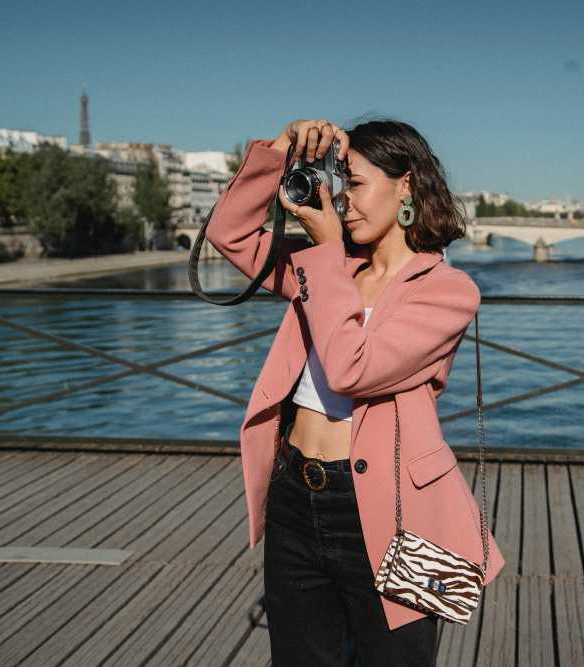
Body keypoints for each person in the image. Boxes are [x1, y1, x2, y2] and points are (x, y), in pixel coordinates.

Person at [205, 117, 506, 666]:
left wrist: (323, 252)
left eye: (358, 185)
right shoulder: (329, 264)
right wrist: (281, 149)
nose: (344, 202)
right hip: (295, 496)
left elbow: (350, 370)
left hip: (389, 510)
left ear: (407, 184)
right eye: (340, 186)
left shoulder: (447, 291)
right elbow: (229, 235)